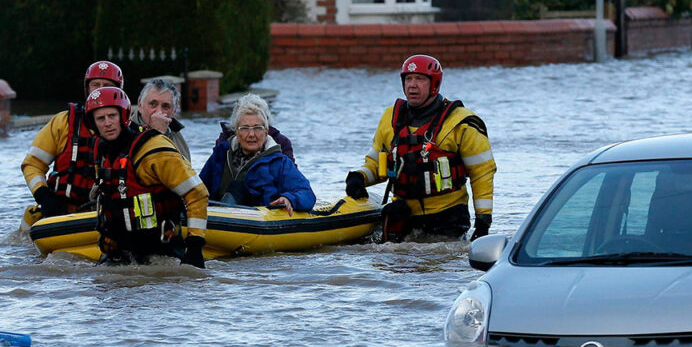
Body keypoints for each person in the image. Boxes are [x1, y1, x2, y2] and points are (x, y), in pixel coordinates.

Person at [344, 54, 496, 242]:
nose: (412, 85)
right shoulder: (390, 119)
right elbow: (377, 164)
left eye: (420, 79)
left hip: (448, 217)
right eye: (408, 79)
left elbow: (482, 173)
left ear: (434, 84)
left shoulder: (462, 123)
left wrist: (483, 223)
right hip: (403, 215)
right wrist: (359, 178)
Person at [86, 86, 209, 267]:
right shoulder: (103, 154)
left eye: (112, 116)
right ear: (93, 124)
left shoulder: (154, 148)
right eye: (100, 118)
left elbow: (197, 193)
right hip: (122, 254)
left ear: (123, 116)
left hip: (162, 252)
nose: (107, 123)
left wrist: (195, 247)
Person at [22, 60, 124, 218]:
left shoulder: (128, 129)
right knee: (31, 216)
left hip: (106, 212)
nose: (100, 90)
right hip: (60, 209)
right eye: (95, 85)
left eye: (107, 85)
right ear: (87, 88)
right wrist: (43, 195)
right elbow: (33, 164)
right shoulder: (62, 122)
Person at [199, 94, 315, 213]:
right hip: (217, 218)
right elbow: (199, 189)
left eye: (257, 128)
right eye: (245, 128)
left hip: (259, 221)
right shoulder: (220, 154)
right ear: (236, 132)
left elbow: (306, 193)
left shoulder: (280, 162)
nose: (251, 134)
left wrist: (289, 198)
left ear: (266, 132)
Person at [130, 78, 191, 161]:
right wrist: (156, 134)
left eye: (165, 106)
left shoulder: (176, 133)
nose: (159, 111)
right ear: (140, 105)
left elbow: (185, 170)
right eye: (152, 104)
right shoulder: (126, 133)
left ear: (174, 111)